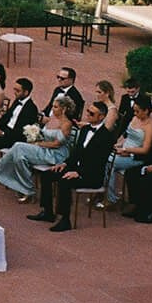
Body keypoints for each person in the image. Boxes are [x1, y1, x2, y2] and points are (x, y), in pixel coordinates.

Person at [30, 99, 119, 231]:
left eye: (91, 113)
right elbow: (76, 152)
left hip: (92, 176)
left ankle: (65, 220)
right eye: (88, 111)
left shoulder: (106, 137)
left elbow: (98, 162)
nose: (87, 114)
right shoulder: (85, 129)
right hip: (77, 168)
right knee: (47, 175)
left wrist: (79, 173)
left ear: (101, 117)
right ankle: (48, 212)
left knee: (64, 181)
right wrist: (65, 164)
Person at [0, 101, 75, 200]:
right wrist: (35, 137)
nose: (52, 109)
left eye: (56, 107)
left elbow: (56, 144)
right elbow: (44, 136)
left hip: (56, 154)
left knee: (18, 146)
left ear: (64, 109)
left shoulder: (67, 124)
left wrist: (37, 144)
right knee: (20, 157)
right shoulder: (50, 120)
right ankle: (27, 190)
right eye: (53, 106)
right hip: (44, 148)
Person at [103, 93, 152, 210]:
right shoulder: (135, 118)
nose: (135, 114)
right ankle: (106, 193)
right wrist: (117, 145)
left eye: (137, 111)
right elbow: (127, 135)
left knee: (109, 163)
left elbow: (145, 149)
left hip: (136, 156)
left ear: (146, 111)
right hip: (123, 150)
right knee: (101, 157)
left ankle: (111, 198)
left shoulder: (150, 126)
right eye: (134, 110)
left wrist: (126, 150)